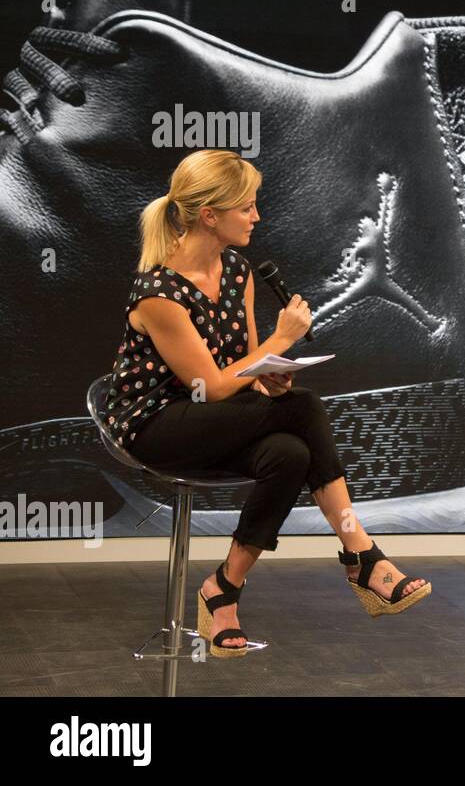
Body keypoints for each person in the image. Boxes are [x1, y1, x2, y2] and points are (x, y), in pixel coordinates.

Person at [107, 149, 430, 657]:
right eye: (246, 208)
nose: (257, 217)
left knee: (291, 454)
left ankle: (223, 591)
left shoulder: (237, 271)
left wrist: (269, 380)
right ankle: (361, 552)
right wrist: (279, 343)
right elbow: (209, 386)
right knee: (303, 409)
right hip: (157, 424)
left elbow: (245, 367)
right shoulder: (158, 293)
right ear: (209, 215)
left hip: (214, 420)